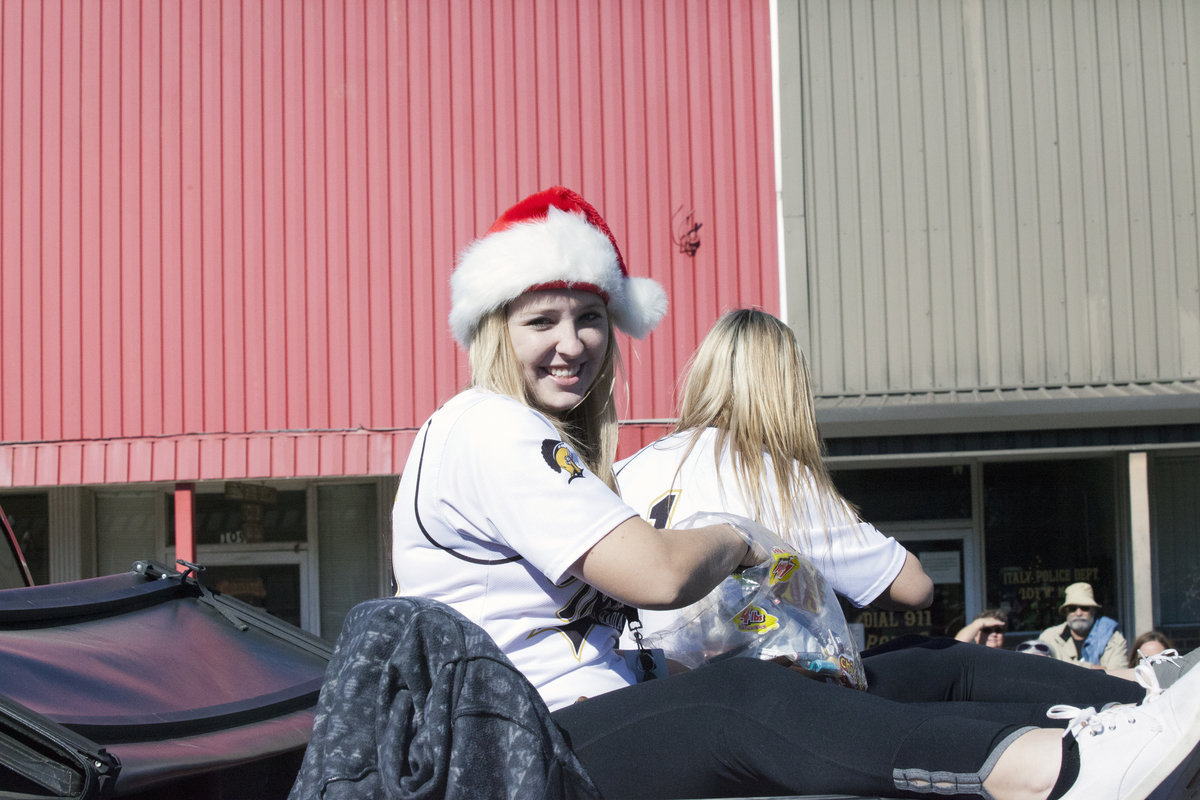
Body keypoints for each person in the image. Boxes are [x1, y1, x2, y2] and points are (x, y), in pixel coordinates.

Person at [314, 189, 1200, 800]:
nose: (572, 342)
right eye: (541, 319)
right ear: (493, 331)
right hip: (523, 749)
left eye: (588, 317)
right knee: (739, 700)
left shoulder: (553, 441)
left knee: (911, 668)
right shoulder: (486, 426)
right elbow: (657, 575)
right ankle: (1059, 771)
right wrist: (737, 535)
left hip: (586, 717)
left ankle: (1139, 704)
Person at [613, 309, 1146, 715]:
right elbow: (914, 588)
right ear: (786, 391)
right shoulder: (770, 474)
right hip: (755, 702)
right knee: (943, 657)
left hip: (646, 698)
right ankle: (1137, 691)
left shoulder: (627, 469)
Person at [1038, 582, 1129, 671]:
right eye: (1072, 608)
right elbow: (1044, 671)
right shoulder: (1049, 637)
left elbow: (1118, 675)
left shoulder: (1112, 636)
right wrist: (1091, 668)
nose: (1078, 613)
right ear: (1066, 612)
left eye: (1084, 608)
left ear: (1093, 610)